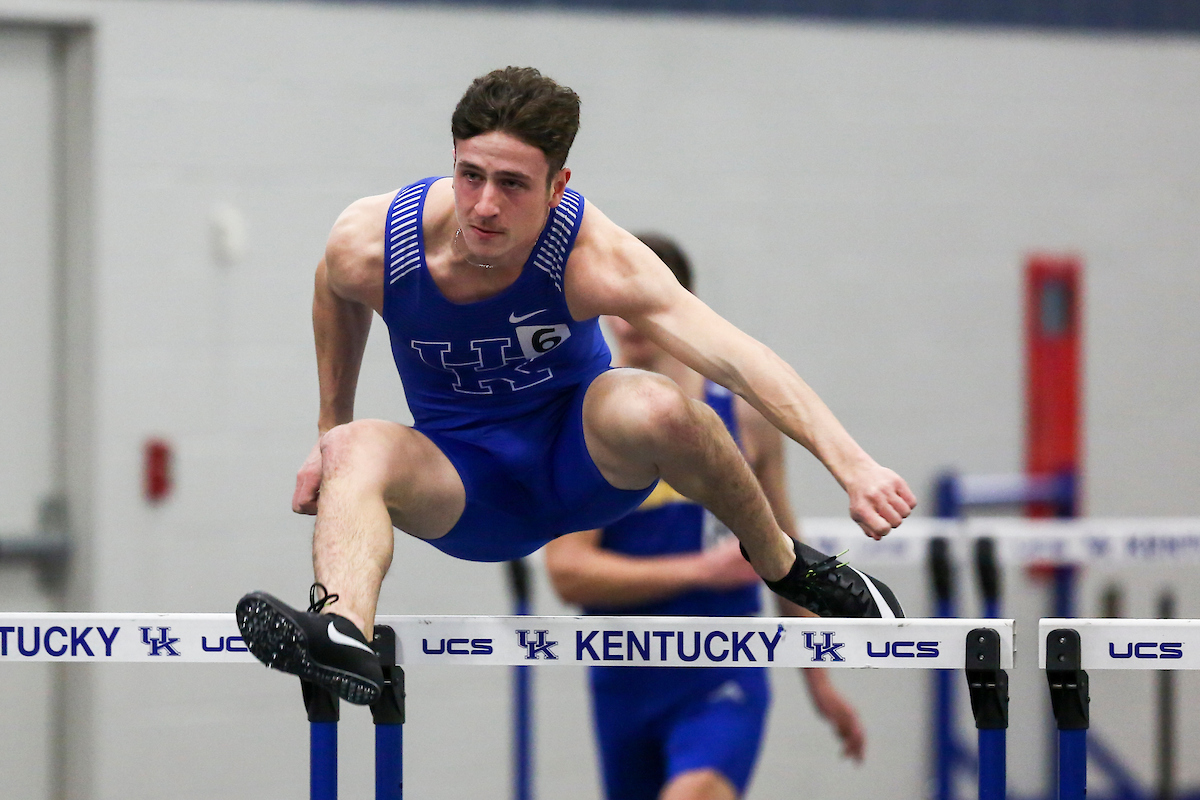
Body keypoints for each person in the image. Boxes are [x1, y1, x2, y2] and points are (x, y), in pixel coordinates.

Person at [236, 66, 916, 706]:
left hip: (582, 462)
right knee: (353, 448)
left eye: (512, 185)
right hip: (467, 487)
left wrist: (852, 465)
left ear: (559, 186)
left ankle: (784, 562)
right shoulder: (373, 243)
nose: (485, 206)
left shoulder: (593, 257)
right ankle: (342, 632)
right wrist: (327, 431)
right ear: (451, 160)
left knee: (659, 403)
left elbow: (737, 358)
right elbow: (335, 289)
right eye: (470, 176)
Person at [545, 235, 864, 800]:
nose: (626, 320)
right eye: (613, 305)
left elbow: (786, 551)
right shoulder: (593, 428)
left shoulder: (745, 420)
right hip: (623, 678)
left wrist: (818, 677)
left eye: (639, 301)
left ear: (675, 304)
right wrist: (699, 571)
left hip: (722, 671)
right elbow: (567, 572)